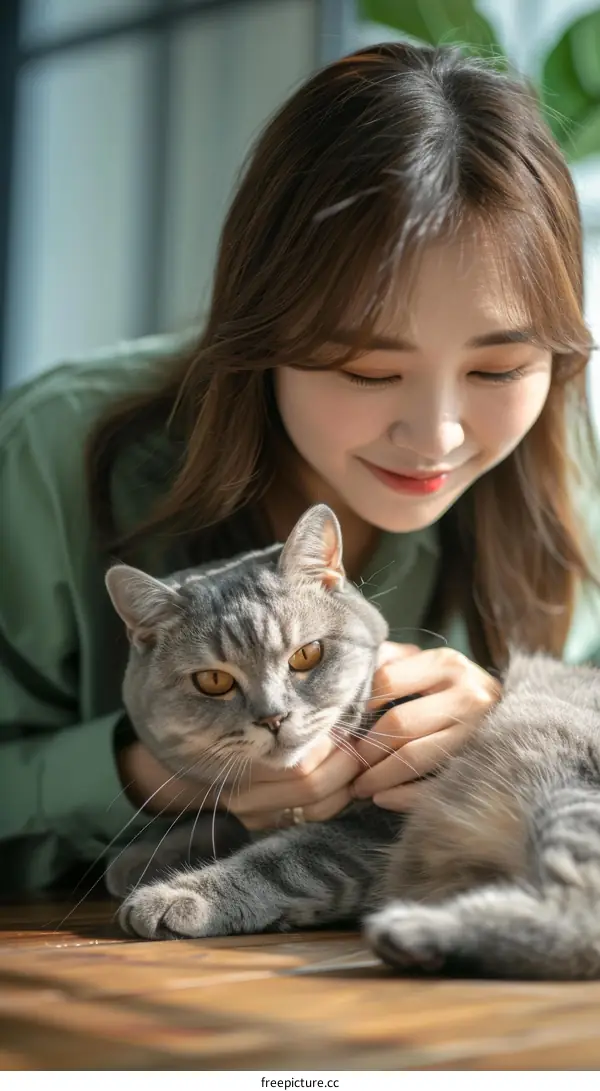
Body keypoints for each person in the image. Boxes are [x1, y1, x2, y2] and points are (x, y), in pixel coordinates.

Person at [2, 42, 599, 898]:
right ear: (261, 334)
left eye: (499, 369)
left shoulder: (567, 478)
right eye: (366, 369)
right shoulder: (50, 453)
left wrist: (519, 716)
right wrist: (146, 771)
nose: (436, 434)